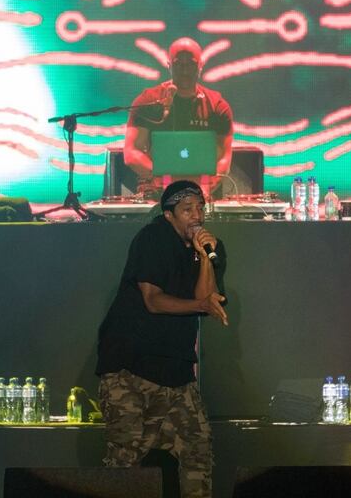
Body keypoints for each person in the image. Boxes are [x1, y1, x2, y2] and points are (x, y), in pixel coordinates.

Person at [95, 180, 229, 498]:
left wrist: (204, 258)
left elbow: (205, 299)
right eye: (187, 210)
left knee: (198, 449)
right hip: (131, 368)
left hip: (176, 371)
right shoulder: (153, 238)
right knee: (125, 460)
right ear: (168, 215)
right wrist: (202, 304)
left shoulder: (211, 248)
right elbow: (153, 301)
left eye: (201, 208)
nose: (197, 216)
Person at [123, 38, 234, 198]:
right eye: (178, 64)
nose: (185, 70)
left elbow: (224, 158)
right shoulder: (149, 101)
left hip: (201, 195)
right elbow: (131, 153)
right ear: (169, 66)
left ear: (200, 65)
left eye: (190, 64)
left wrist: (204, 187)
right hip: (158, 194)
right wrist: (165, 179)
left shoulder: (217, 106)